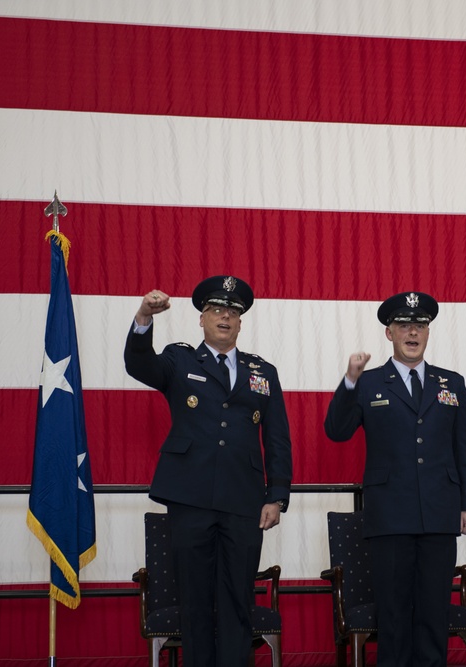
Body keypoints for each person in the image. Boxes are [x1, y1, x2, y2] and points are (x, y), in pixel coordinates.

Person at [124, 275, 292, 667]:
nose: (225, 317)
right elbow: (138, 364)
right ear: (201, 318)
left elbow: (278, 438)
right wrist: (144, 317)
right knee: (195, 599)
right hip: (190, 496)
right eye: (216, 310)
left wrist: (277, 496)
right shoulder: (179, 358)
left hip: (244, 500)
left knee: (238, 599)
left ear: (240, 322)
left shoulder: (262, 371)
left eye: (232, 312)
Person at [324, 291, 466, 667]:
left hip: (440, 515)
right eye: (403, 325)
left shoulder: (451, 383)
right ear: (388, 334)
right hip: (390, 516)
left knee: (433, 614)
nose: (413, 332)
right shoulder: (369, 381)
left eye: (420, 325)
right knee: (393, 615)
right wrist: (349, 380)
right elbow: (336, 430)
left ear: (428, 332)